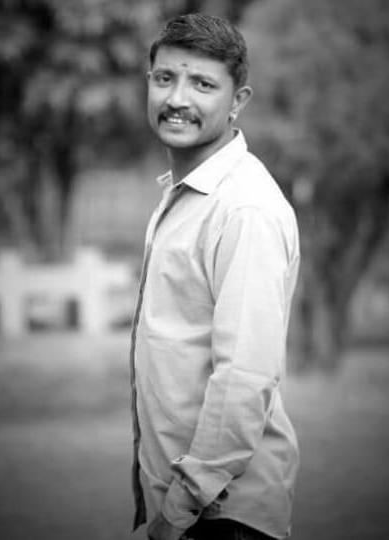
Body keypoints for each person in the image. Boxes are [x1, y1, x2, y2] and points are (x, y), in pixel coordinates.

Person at [130, 13, 300, 540]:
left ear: (237, 101)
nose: (177, 99)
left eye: (203, 84)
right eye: (165, 78)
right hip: (193, 511)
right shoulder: (187, 197)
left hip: (221, 517)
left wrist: (179, 510)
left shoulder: (244, 209)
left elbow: (244, 376)